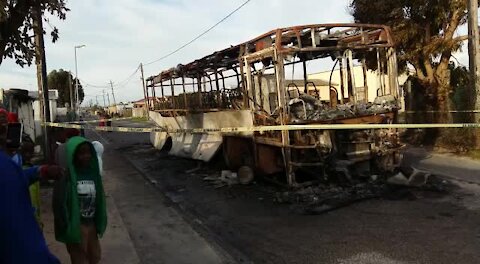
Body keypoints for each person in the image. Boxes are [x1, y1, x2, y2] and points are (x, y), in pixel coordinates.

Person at [0, 108, 61, 264]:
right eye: (2, 129)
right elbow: (19, 236)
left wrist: (40, 171)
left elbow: (15, 180)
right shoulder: (5, 165)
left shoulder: (9, 163)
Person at [53, 136, 107, 264]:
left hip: (91, 224)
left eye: (88, 152)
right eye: (81, 153)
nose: (86, 156)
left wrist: (100, 219)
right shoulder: (68, 177)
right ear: (73, 155)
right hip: (76, 225)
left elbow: (100, 199)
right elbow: (59, 202)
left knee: (95, 256)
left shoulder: (93, 174)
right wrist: (65, 223)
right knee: (79, 259)